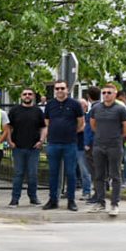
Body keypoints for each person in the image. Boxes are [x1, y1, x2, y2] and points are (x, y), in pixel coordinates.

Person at [89, 83, 126, 216]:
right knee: (99, 175)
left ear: (115, 94)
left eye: (109, 92)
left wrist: (115, 137)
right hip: (98, 146)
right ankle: (100, 202)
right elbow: (93, 125)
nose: (106, 95)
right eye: (104, 93)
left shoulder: (121, 109)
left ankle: (114, 204)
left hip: (114, 146)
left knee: (115, 175)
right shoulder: (96, 108)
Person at [42, 80, 84, 211]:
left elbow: (81, 123)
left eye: (62, 88)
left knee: (71, 173)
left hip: (70, 143)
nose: (59, 91)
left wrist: (71, 132)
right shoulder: (50, 104)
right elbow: (47, 122)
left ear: (67, 89)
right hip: (53, 143)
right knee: (53, 173)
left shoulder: (75, 104)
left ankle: (71, 201)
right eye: (57, 88)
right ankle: (53, 200)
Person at [7, 87, 46, 208]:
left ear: (33, 96)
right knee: (18, 174)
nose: (27, 96)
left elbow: (43, 127)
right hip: (18, 147)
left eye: (30, 94)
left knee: (33, 174)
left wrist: (41, 141)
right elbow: (8, 127)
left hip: (33, 148)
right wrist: (9, 141)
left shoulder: (38, 111)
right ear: (21, 96)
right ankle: (14, 199)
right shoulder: (14, 110)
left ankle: (33, 198)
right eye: (25, 94)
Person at [84, 86, 101, 204]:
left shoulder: (93, 110)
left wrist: (87, 143)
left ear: (88, 97)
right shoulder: (102, 107)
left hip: (93, 144)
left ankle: (98, 194)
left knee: (95, 170)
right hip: (101, 143)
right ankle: (100, 193)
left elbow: (90, 128)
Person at [76, 99, 93, 200]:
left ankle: (87, 192)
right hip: (72, 145)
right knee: (71, 171)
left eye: (81, 105)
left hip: (81, 147)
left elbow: (84, 127)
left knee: (84, 171)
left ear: (85, 107)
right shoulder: (74, 116)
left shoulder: (87, 116)